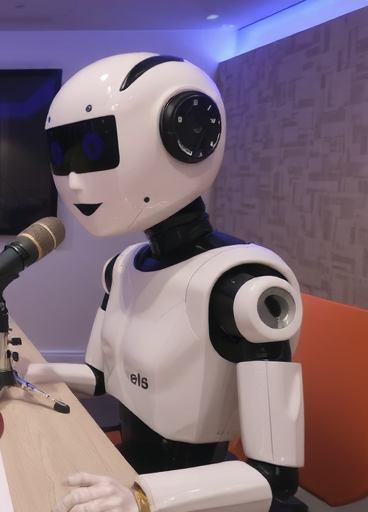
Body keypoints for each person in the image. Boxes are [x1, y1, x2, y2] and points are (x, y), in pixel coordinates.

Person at [35, 53, 305, 512]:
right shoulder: (124, 266)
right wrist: (34, 377)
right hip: (122, 471)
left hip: (189, 497)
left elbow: (274, 479)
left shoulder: (240, 287)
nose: (75, 182)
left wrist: (144, 499)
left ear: (184, 137)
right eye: (64, 154)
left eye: (96, 150)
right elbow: (104, 378)